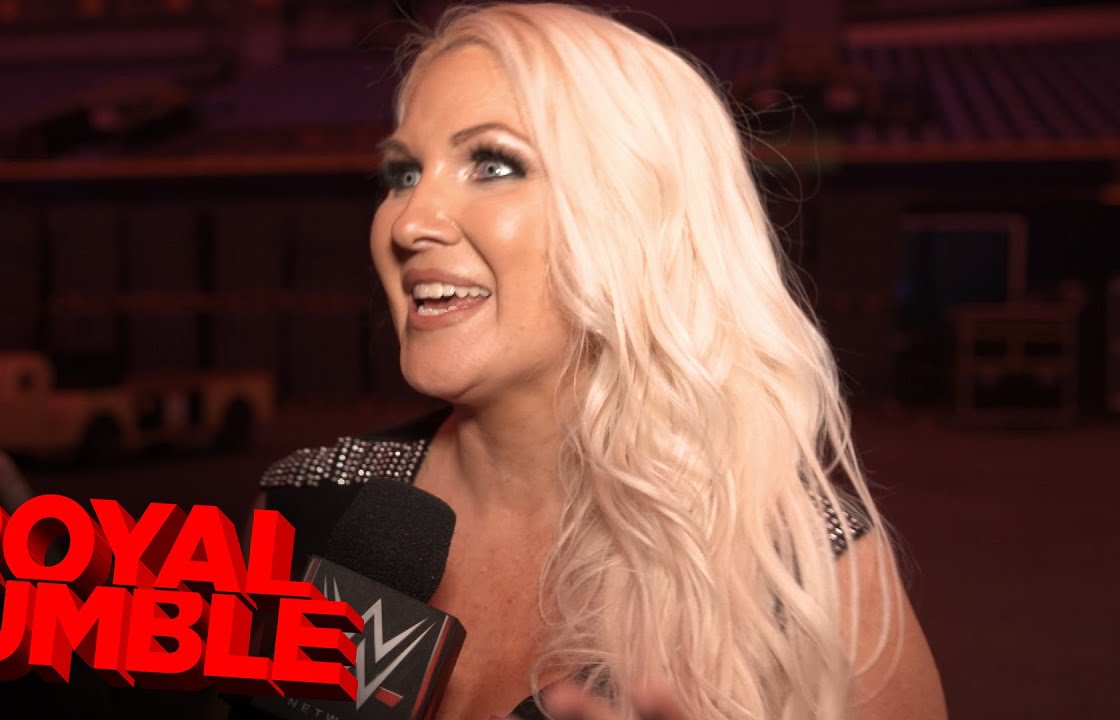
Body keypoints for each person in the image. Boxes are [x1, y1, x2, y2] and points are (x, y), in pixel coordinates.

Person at [257, 3, 947, 720]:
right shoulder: (306, 503)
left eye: (492, 164)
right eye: (404, 174)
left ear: (636, 212)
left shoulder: (799, 567)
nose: (408, 222)